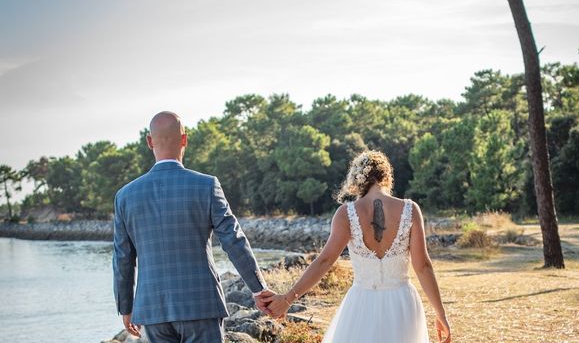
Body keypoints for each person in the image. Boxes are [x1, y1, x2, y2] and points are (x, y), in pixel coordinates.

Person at [112, 111, 273, 343]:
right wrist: (259, 290)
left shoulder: (125, 196)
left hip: (153, 309)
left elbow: (122, 258)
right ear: (185, 139)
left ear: (149, 142)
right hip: (201, 304)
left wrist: (126, 307)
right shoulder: (207, 185)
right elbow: (233, 239)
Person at [264, 150, 451, 343]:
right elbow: (423, 267)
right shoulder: (410, 210)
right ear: (387, 176)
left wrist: (288, 299)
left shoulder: (346, 214)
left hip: (361, 304)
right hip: (402, 303)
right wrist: (440, 314)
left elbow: (325, 261)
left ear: (356, 180)